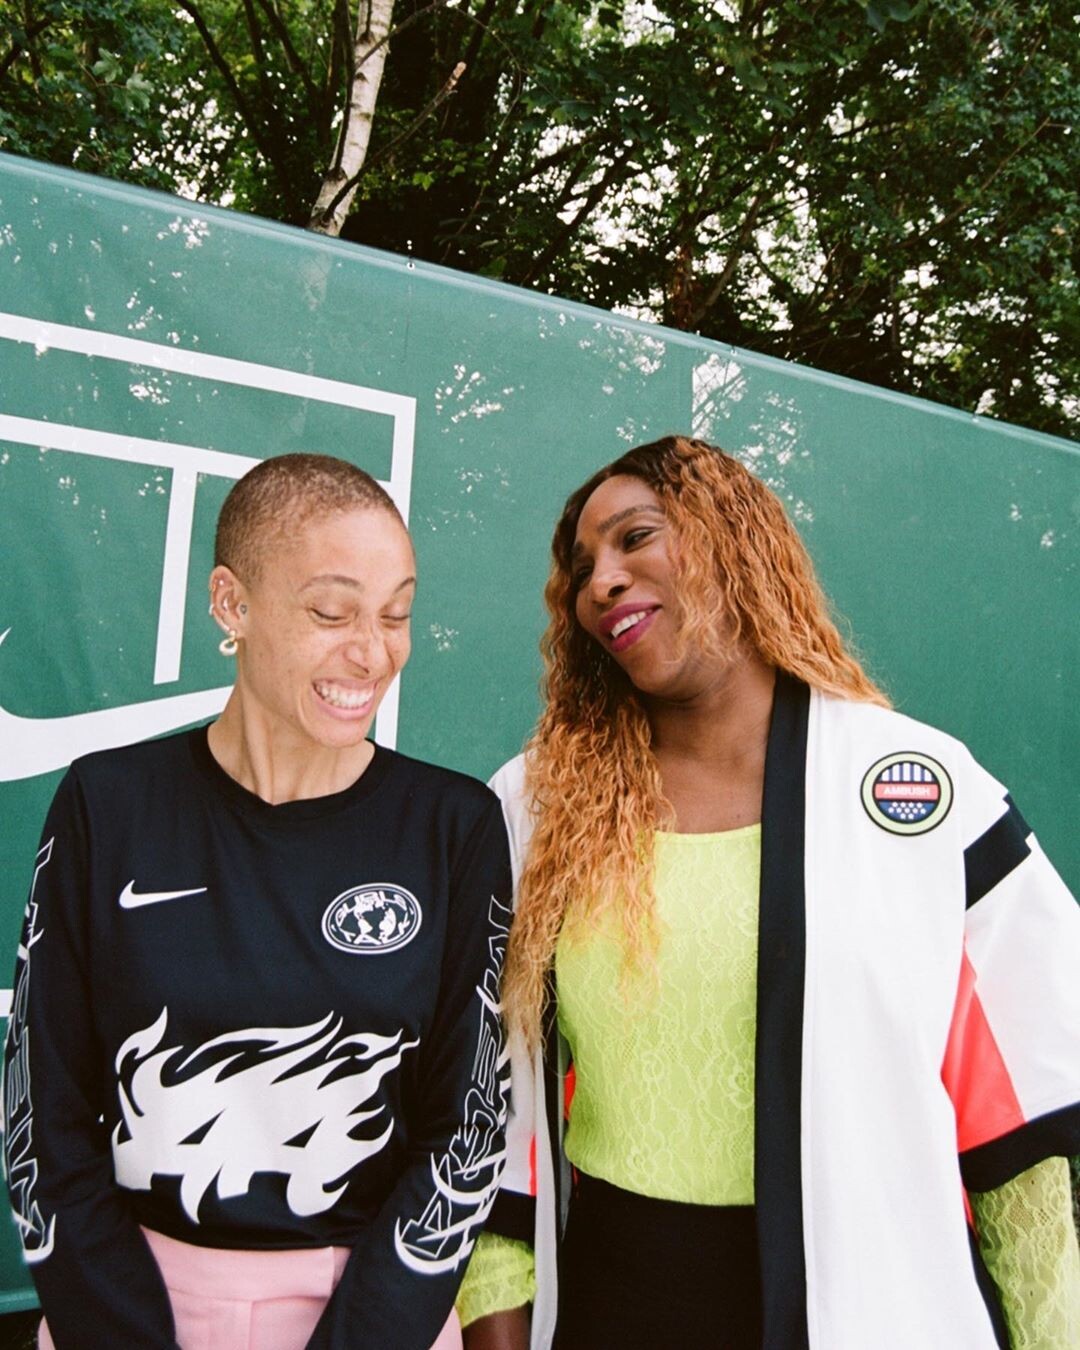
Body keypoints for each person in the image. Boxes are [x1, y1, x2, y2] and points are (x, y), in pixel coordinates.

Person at [459, 436, 1080, 1349]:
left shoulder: (917, 787)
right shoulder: (537, 806)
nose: (602, 581)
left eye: (636, 537)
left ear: (734, 540)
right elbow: (490, 1106)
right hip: (609, 1305)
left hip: (868, 1310)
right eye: (582, 569)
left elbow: (1019, 1136)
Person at [3, 453, 512, 1350]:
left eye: (396, 614)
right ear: (231, 603)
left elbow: (465, 1124)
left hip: (371, 1315)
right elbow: (41, 1113)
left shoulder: (454, 825)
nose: (373, 651)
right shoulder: (106, 803)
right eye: (332, 612)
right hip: (127, 1310)